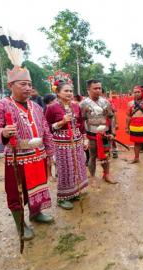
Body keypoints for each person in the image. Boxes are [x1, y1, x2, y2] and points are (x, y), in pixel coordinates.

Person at [0, 49, 54, 240]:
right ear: (11, 85)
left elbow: (46, 130)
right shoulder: (0, 105)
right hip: (17, 158)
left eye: (30, 85)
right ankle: (20, 224)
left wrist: (50, 152)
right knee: (16, 192)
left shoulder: (37, 106)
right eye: (23, 84)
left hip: (38, 155)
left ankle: (36, 213)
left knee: (39, 185)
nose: (28, 88)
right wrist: (2, 132)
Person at [45, 82, 88, 210]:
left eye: (71, 91)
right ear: (58, 93)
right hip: (61, 143)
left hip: (77, 140)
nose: (69, 93)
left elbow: (81, 123)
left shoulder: (76, 106)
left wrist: (84, 138)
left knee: (78, 167)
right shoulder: (52, 108)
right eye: (66, 91)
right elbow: (47, 127)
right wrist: (62, 122)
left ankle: (74, 192)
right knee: (65, 169)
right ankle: (62, 198)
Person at [80, 79, 117, 184]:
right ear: (88, 90)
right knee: (92, 156)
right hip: (91, 134)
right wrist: (84, 137)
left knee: (106, 154)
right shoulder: (83, 104)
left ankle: (106, 175)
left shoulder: (105, 102)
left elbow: (112, 117)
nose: (98, 90)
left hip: (105, 133)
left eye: (99, 88)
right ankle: (92, 177)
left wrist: (113, 132)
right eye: (95, 88)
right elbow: (81, 121)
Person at [125, 85, 143, 165]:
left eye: (138, 92)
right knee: (136, 142)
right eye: (135, 92)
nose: (136, 94)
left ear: (142, 92)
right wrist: (126, 127)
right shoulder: (130, 103)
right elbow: (128, 116)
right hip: (134, 125)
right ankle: (136, 158)